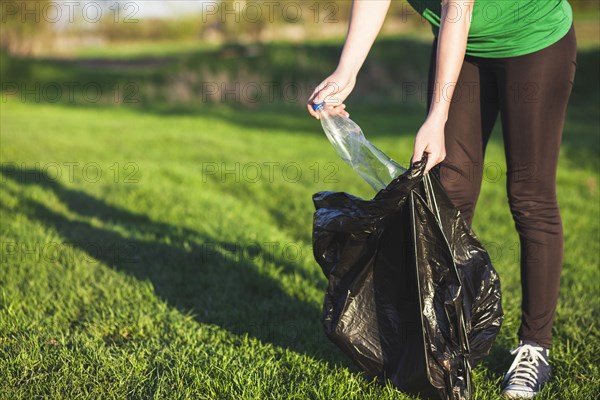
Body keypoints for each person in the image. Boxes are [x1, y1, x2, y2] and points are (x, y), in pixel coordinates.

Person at [307, 0, 576, 398]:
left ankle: (534, 346)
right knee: (449, 192)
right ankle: (440, 338)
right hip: (463, 49)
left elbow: (457, 7)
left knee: (529, 196)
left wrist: (437, 116)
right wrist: (346, 70)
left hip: (533, 42)